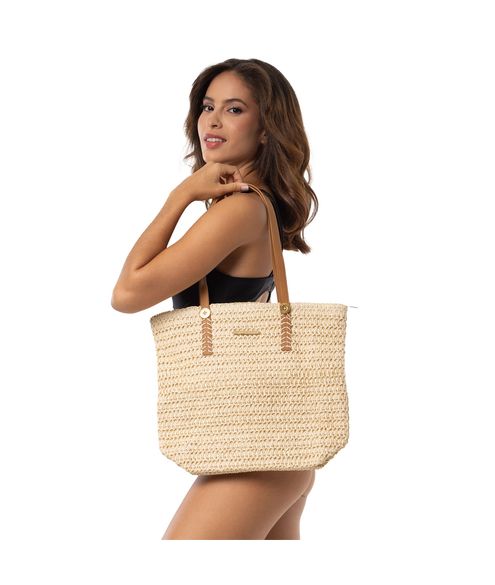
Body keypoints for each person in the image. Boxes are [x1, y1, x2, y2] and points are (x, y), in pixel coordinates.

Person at [111, 58, 320, 539]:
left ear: (266, 129)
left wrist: (180, 195)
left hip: (257, 455)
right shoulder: (251, 205)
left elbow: (128, 293)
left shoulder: (240, 209)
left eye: (234, 109)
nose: (214, 121)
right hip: (273, 446)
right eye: (208, 107)